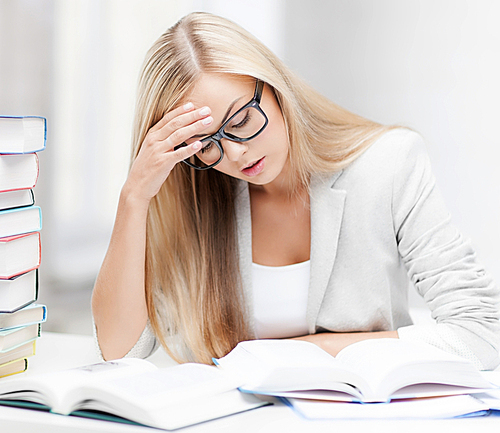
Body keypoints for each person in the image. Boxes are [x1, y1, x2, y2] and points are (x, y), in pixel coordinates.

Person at [91, 12, 500, 369]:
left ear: (275, 88)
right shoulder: (198, 192)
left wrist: (314, 351)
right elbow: (119, 351)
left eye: (242, 120)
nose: (234, 153)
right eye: (207, 143)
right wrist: (134, 198)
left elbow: (481, 333)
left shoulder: (389, 163)